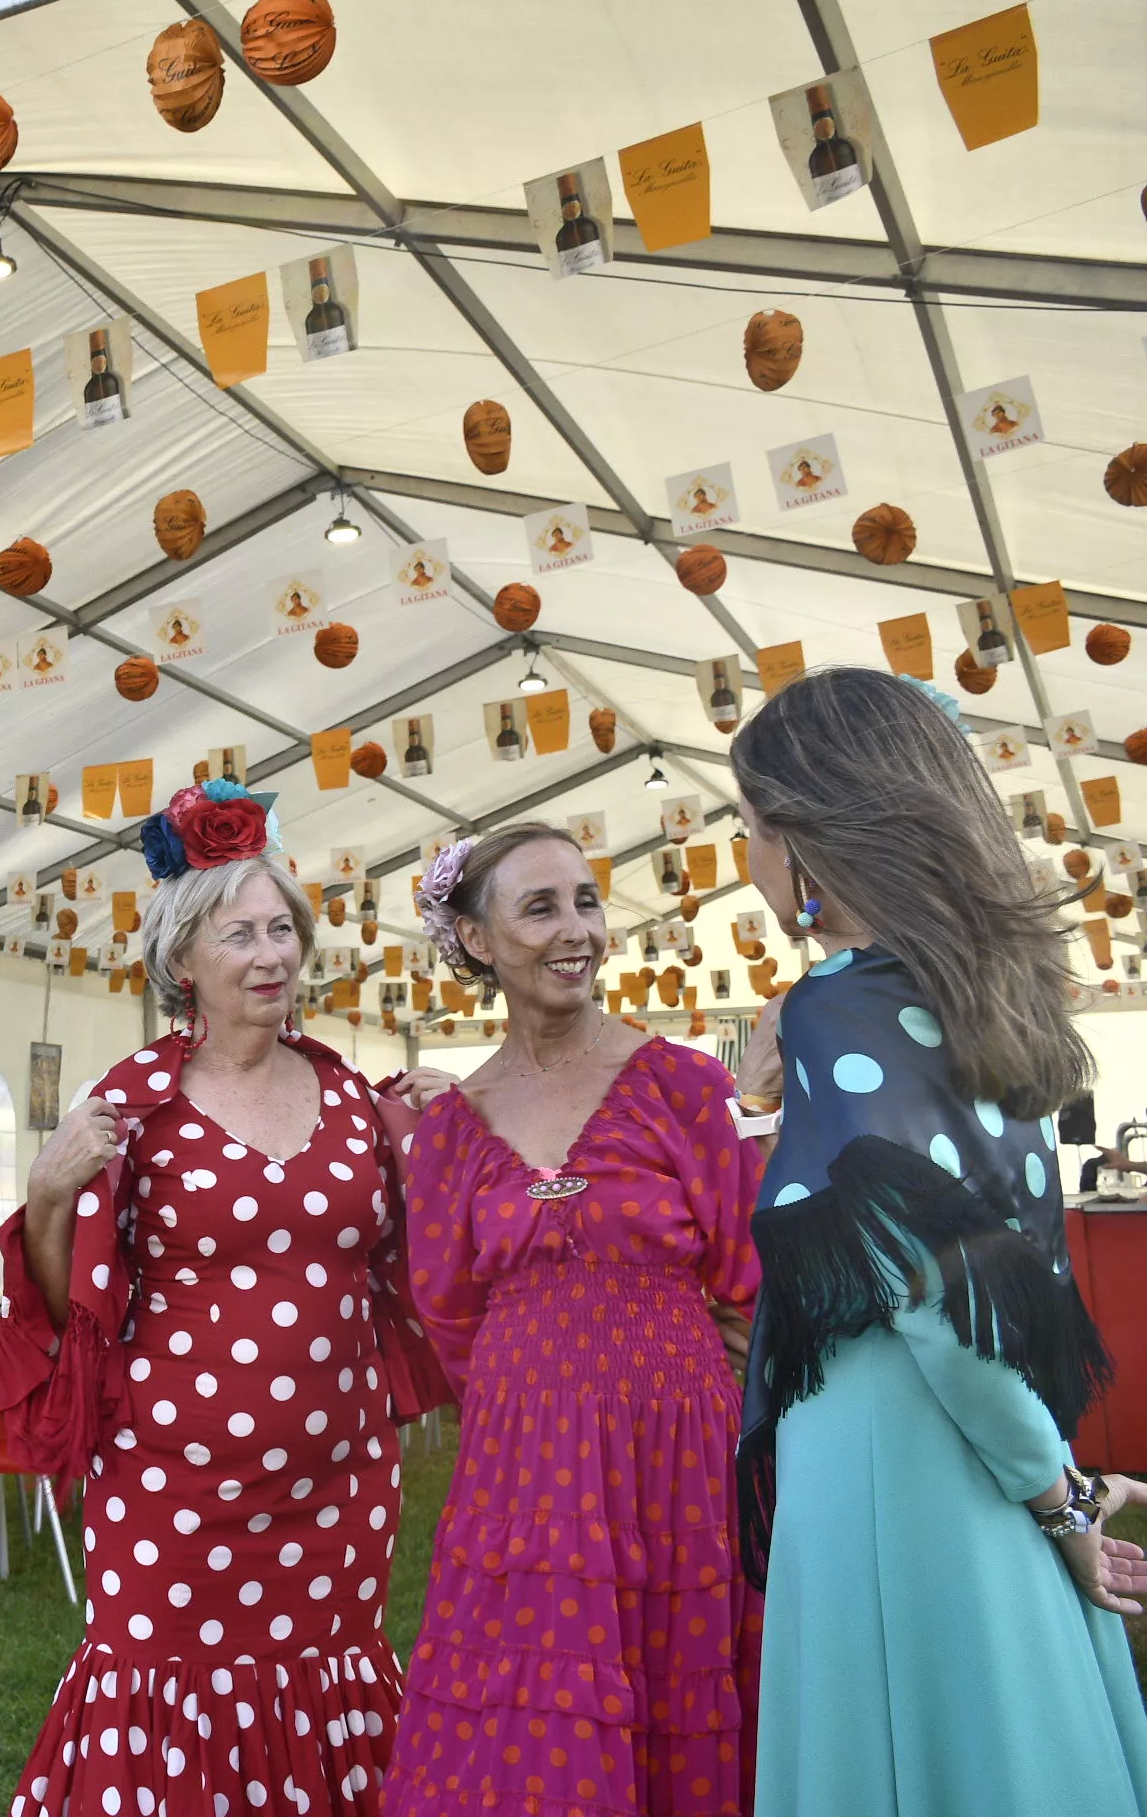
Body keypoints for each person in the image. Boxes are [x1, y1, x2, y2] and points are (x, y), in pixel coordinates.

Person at [0, 781, 451, 1817]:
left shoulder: (349, 1093)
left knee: (334, 1674)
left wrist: (444, 1146)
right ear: (183, 956)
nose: (272, 953)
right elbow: (71, 1310)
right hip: (171, 1494)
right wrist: (49, 1194)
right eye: (241, 932)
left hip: (339, 1486)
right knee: (166, 1703)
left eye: (282, 926)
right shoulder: (132, 1105)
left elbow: (408, 1270)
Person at [730, 668, 1147, 1814]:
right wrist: (1046, 1471)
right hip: (987, 1428)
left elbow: (930, 1287)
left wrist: (1053, 1502)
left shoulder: (835, 1005)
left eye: (750, 825)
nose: (748, 856)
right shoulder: (983, 987)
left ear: (807, 839)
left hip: (897, 1443)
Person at [384, 824, 765, 1816]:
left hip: (676, 1458)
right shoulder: (452, 1128)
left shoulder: (685, 1084)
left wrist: (690, 1374)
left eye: (588, 901)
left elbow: (752, 1271)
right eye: (542, 906)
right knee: (533, 1715)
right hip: (522, 1469)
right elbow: (446, 1312)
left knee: (677, 1693)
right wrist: (545, 1396)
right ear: (474, 937)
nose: (577, 929)